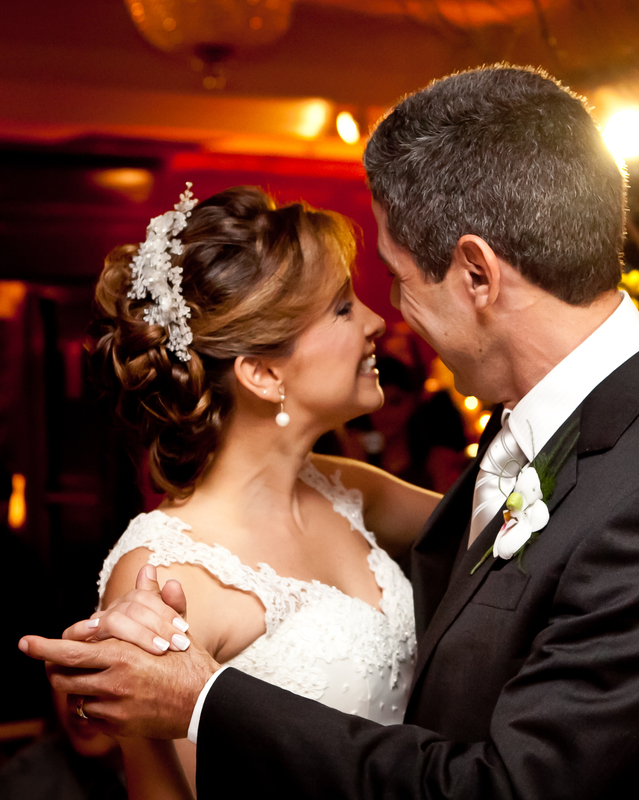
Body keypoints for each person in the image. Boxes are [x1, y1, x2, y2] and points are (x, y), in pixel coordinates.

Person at [22, 65, 639, 799]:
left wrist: (203, 701)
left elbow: (512, 786)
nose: (387, 317)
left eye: (393, 278)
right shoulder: (547, 431)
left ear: (478, 275)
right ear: (260, 370)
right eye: (350, 303)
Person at [52, 185, 441, 797]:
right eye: (342, 307)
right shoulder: (162, 572)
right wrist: (132, 722)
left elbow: (507, 526)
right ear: (262, 373)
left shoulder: (348, 491)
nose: (375, 322)